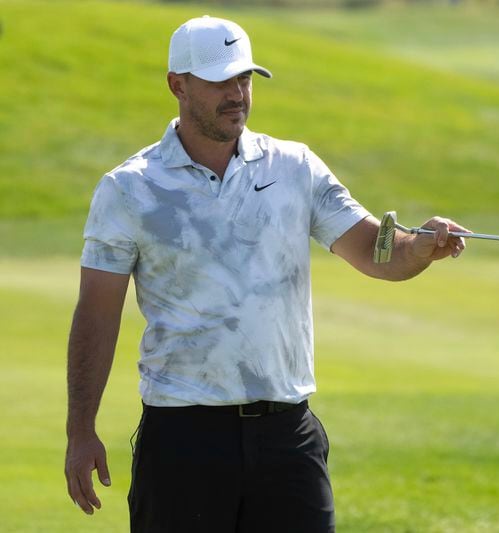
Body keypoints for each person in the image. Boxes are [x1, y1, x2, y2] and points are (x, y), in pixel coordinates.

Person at [64, 15, 467, 533]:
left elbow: (375, 250)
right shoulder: (128, 190)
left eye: (245, 78)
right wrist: (81, 430)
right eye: (220, 80)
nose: (237, 94)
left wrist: (422, 247)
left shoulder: (295, 167)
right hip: (183, 439)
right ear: (177, 85)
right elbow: (96, 314)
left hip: (287, 438)